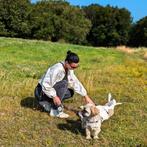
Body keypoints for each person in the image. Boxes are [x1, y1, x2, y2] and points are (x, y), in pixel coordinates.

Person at [34, 50, 95, 118]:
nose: (74, 69)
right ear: (66, 62)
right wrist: (54, 96)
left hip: (47, 92)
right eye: (73, 67)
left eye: (76, 67)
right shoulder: (57, 69)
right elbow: (46, 84)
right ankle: (54, 110)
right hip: (40, 92)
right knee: (64, 83)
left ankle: (49, 103)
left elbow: (74, 82)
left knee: (70, 92)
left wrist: (86, 96)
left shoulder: (69, 69)